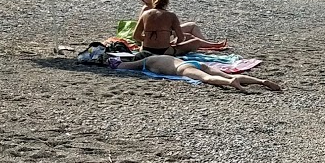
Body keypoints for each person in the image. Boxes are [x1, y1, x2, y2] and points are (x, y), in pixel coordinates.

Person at [110, 53, 282, 92]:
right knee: (227, 73)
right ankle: (261, 82)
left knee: (207, 78)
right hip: (193, 62)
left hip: (182, 69)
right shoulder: (162, 56)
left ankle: (231, 83)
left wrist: (113, 63)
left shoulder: (146, 61)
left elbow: (123, 66)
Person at [133, 0, 224, 50]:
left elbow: (136, 35)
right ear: (142, 0)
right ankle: (213, 46)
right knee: (188, 37)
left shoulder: (150, 12)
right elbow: (144, 31)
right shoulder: (148, 11)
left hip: (151, 45)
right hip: (161, 42)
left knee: (191, 28)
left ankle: (211, 44)